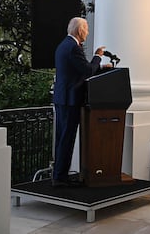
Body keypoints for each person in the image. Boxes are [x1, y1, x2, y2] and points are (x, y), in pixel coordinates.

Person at [52, 17, 111, 187]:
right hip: (70, 99)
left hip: (63, 98)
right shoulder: (73, 47)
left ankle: (59, 174)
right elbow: (86, 71)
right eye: (86, 29)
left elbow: (76, 69)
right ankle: (60, 177)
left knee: (62, 138)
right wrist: (97, 57)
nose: (88, 32)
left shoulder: (64, 45)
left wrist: (99, 67)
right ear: (80, 30)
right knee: (67, 139)